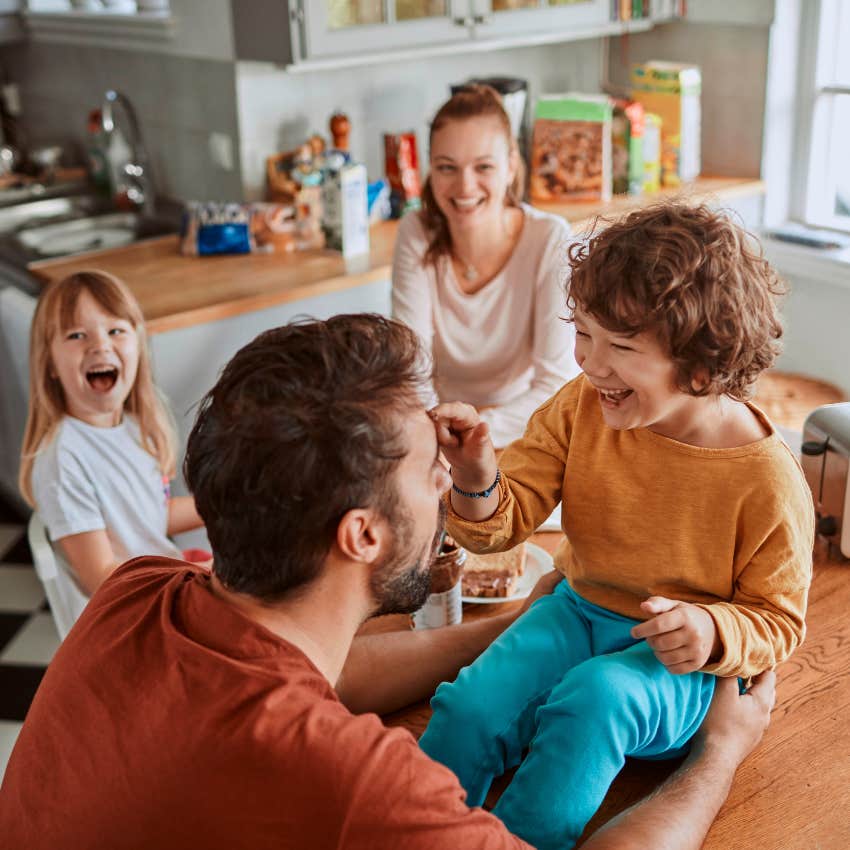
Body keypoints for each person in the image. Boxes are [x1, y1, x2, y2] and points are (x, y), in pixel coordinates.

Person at [1, 314, 776, 850]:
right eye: (423, 464)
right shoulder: (363, 786)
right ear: (362, 535)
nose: (446, 474)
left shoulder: (136, 591)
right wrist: (719, 755)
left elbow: (319, 673)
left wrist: (510, 629)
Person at [421, 203, 814, 850]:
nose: (590, 365)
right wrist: (475, 478)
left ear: (702, 367)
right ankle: (415, 827)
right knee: (469, 708)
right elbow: (501, 521)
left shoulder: (767, 479)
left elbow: (778, 621)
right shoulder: (580, 408)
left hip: (676, 663)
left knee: (595, 698)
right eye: (584, 334)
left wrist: (711, 628)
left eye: (622, 347)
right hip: (577, 612)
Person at [392, 84, 579, 448]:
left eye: (484, 167)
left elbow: (556, 385)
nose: (464, 186)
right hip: (438, 436)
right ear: (431, 167)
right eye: (447, 167)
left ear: (511, 166)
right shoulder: (415, 233)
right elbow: (409, 372)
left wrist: (470, 428)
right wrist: (445, 436)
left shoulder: (548, 238)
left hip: (525, 434)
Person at [19, 270, 206, 601]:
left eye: (116, 330)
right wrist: (201, 574)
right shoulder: (64, 459)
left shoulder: (134, 428)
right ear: (49, 362)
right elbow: (105, 582)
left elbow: (148, 518)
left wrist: (226, 506)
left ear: (138, 346)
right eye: (76, 335)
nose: (100, 345)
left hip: (161, 581)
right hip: (134, 611)